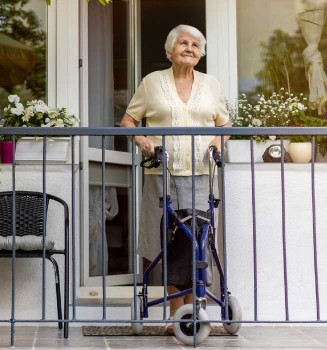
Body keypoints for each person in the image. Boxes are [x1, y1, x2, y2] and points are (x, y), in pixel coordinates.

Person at [119, 24, 232, 331]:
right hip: (163, 172)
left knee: (196, 240)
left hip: (201, 175)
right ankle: (175, 312)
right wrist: (144, 141)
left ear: (200, 54)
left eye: (196, 45)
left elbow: (224, 126)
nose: (189, 48)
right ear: (169, 50)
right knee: (167, 240)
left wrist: (217, 143)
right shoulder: (152, 82)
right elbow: (128, 121)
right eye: (183, 43)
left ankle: (196, 306)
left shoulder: (211, 84)